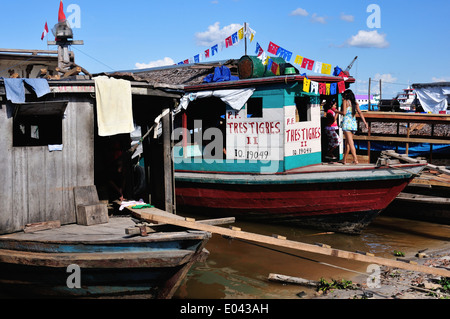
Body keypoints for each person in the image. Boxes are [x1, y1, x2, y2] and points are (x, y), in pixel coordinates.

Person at [341, 89, 368, 164]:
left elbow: (344, 113)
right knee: (347, 143)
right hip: (353, 124)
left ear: (346, 95)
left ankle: (355, 159)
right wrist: (365, 123)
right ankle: (344, 160)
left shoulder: (345, 101)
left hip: (347, 124)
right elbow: (360, 113)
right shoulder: (355, 103)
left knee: (350, 143)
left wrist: (336, 111)